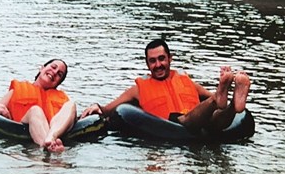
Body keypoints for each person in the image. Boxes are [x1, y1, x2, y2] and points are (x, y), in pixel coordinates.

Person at [80, 39, 251, 134]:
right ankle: (221, 97)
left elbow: (206, 99)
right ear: (147, 65)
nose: (158, 65)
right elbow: (109, 109)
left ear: (170, 58)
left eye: (161, 59)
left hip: (203, 123)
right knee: (193, 118)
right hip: (176, 124)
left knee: (216, 118)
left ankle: (233, 105)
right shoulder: (139, 88)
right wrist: (97, 106)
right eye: (152, 61)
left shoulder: (184, 80)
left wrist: (218, 101)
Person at [0, 59, 76, 153]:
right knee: (35, 110)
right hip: (22, 131)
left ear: (58, 83)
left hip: (53, 134)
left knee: (71, 104)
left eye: (59, 74)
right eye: (53, 67)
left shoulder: (63, 99)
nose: (54, 72)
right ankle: (48, 145)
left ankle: (51, 138)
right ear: (42, 68)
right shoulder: (17, 89)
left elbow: (74, 121)